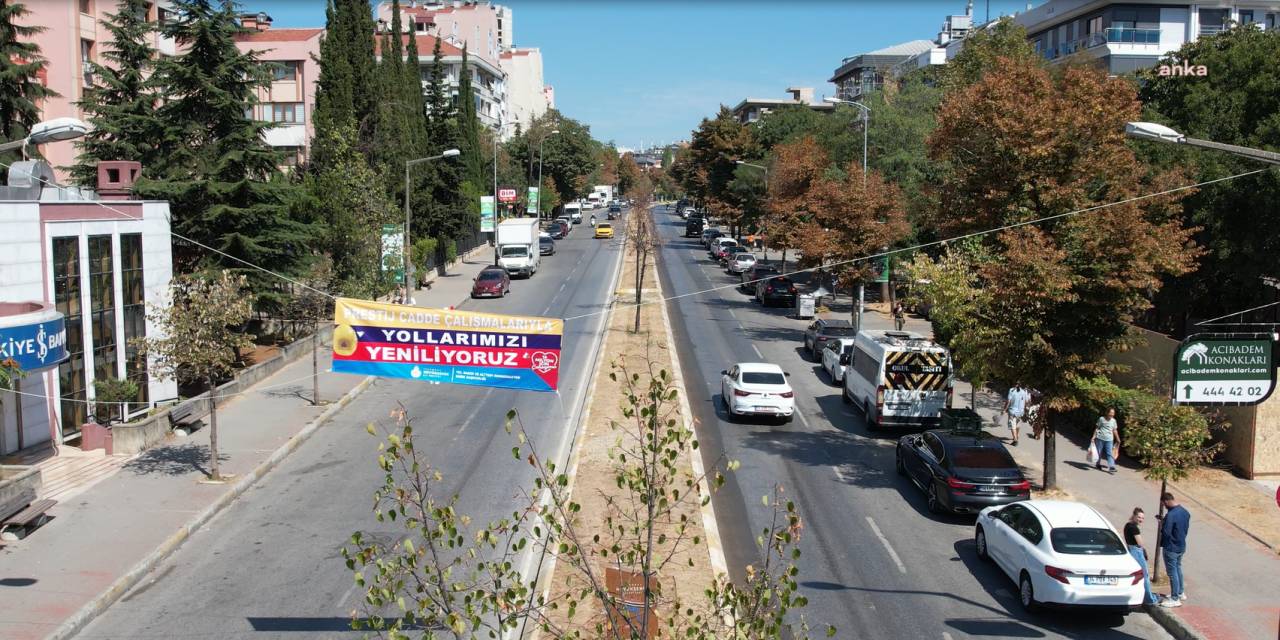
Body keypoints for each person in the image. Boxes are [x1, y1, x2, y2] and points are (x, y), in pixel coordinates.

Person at [1157, 492, 1191, 607]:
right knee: (1178, 569)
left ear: (1166, 501)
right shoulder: (1185, 512)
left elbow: (1166, 532)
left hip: (1171, 547)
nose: (1164, 506)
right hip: (1181, 545)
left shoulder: (1171, 515)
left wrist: (1162, 524)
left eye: (1163, 504)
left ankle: (1175, 598)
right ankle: (1180, 592)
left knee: (1172, 573)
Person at [1124, 507, 1157, 606]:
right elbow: (1140, 543)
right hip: (1137, 551)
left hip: (1130, 549)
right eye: (1139, 517)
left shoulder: (1127, 525)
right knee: (1145, 575)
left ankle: (1142, 596)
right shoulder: (1134, 528)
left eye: (1142, 518)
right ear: (1134, 516)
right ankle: (1150, 599)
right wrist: (1144, 551)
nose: (1140, 520)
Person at [1093, 408, 1121, 473]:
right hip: (1100, 438)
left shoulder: (1114, 421)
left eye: (1113, 413)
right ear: (1107, 412)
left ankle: (1111, 466)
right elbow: (1097, 428)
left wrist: (1118, 439)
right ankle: (1098, 464)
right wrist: (1093, 436)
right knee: (1099, 452)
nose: (1112, 414)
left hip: (1109, 439)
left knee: (1110, 453)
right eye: (1111, 413)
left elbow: (1114, 430)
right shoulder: (1101, 419)